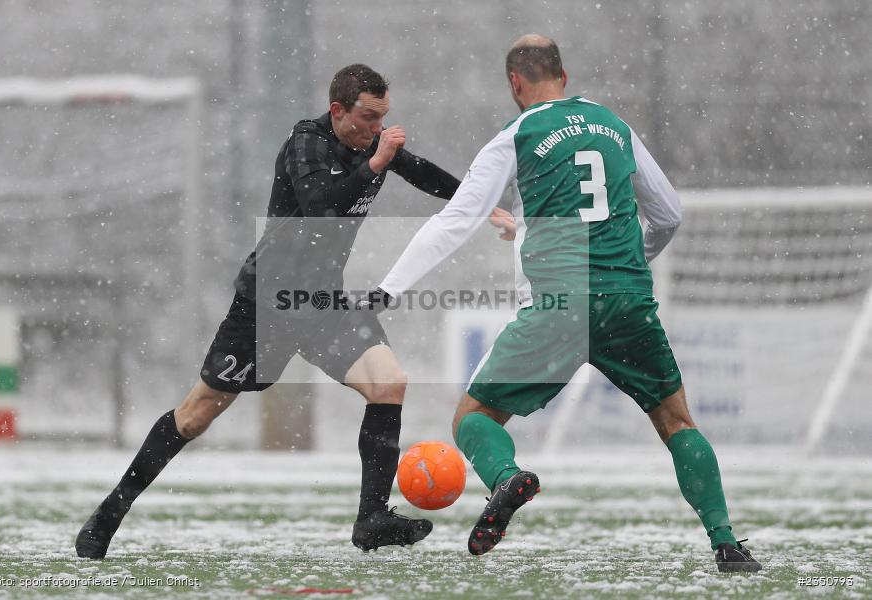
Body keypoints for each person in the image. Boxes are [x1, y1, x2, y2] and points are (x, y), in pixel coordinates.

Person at [75, 63, 515, 558]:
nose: (376, 128)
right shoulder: (306, 144)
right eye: (368, 118)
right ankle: (110, 512)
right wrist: (375, 163)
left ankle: (371, 518)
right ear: (337, 110)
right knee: (196, 415)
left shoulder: (370, 144)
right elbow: (320, 206)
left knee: (388, 383)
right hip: (268, 303)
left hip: (323, 303)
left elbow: (423, 174)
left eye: (382, 118)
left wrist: (480, 206)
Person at [366, 36, 762, 572]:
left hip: (557, 306)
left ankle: (507, 479)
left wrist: (386, 289)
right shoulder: (612, 126)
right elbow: (668, 214)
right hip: (626, 300)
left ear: (514, 83)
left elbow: (455, 222)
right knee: (676, 422)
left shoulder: (516, 135)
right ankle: (726, 543)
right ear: (565, 77)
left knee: (473, 418)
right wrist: (625, 267)